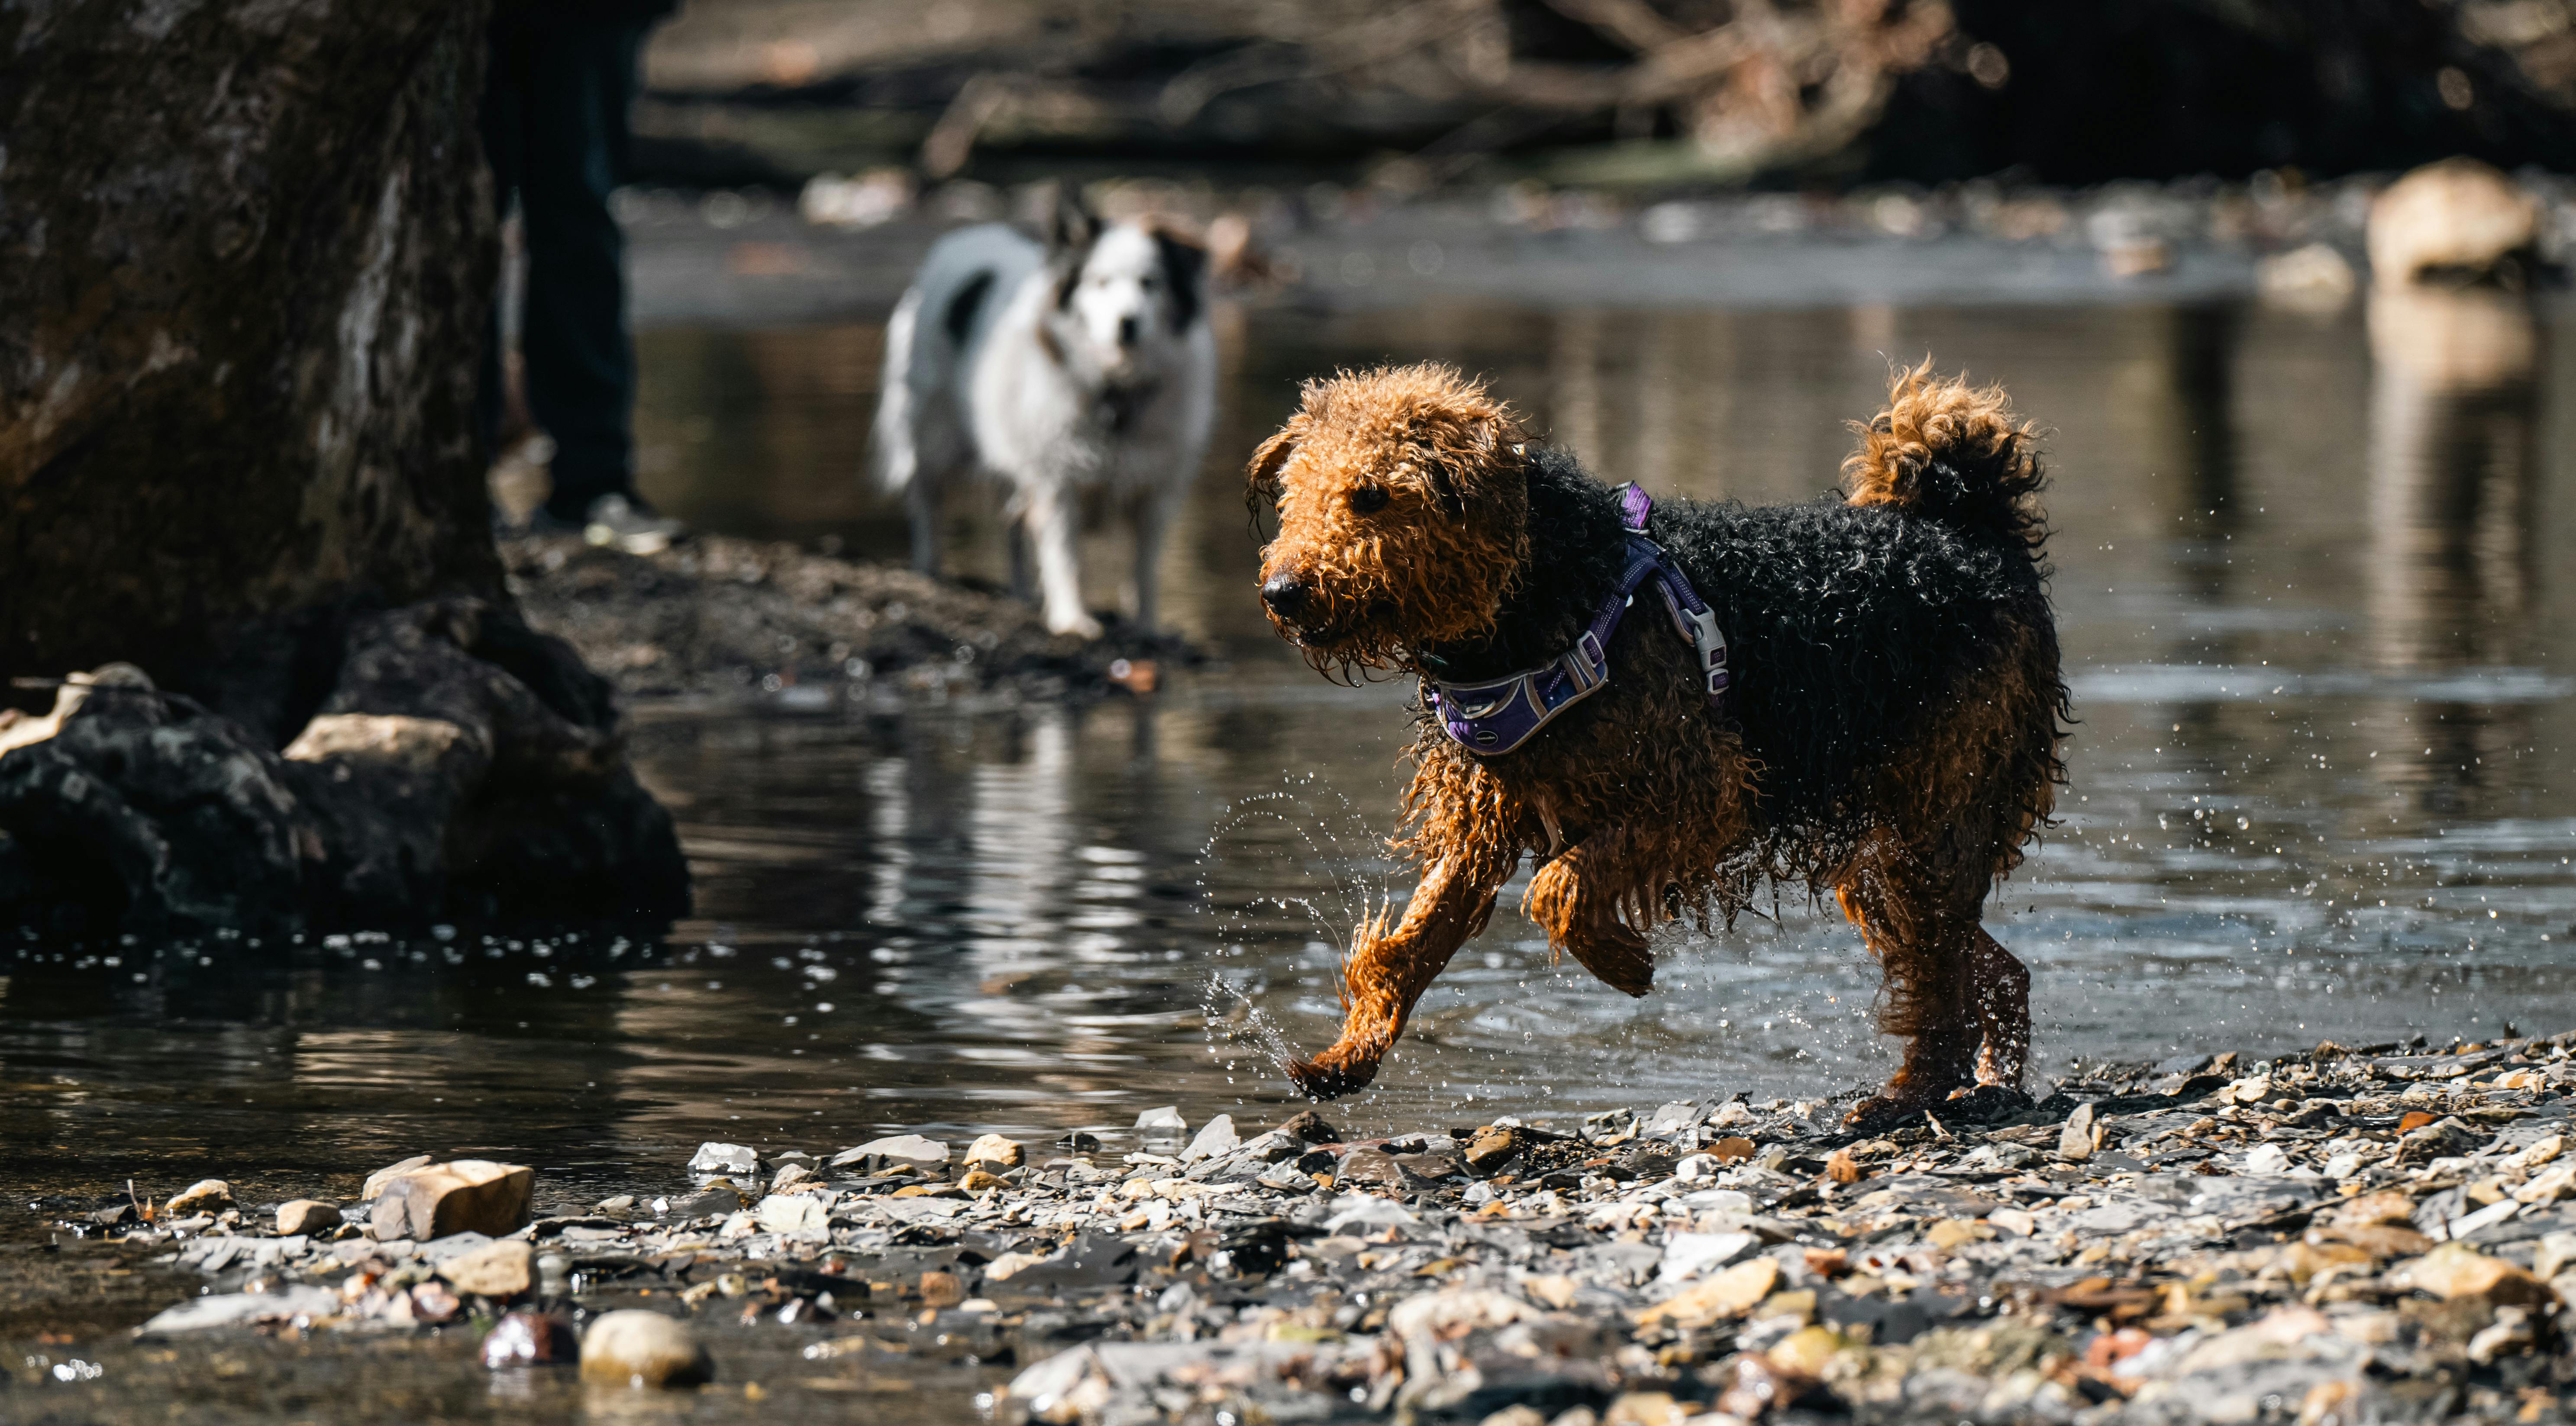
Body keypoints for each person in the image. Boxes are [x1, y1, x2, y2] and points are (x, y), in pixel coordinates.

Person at [481, 1, 686, 553]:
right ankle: (456, 480)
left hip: (593, 12)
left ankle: (593, 482)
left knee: (580, 220)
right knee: (457, 227)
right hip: (444, 24)